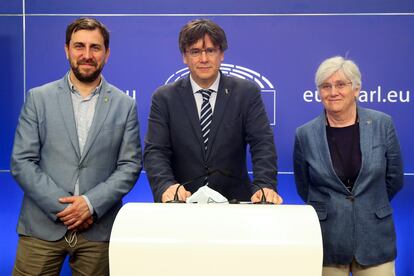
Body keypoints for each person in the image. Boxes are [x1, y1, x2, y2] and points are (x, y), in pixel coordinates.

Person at [10, 17, 142, 275]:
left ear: (107, 53)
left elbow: (130, 165)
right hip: (41, 228)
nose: (87, 54)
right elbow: (22, 162)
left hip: (98, 230)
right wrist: (66, 209)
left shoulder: (124, 106)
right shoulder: (39, 98)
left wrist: (90, 204)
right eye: (79, 46)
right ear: (67, 50)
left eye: (95, 47)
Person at [144, 18, 282, 204]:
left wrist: (264, 186)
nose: (204, 59)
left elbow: (262, 144)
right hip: (181, 204)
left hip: (236, 203)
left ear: (221, 54)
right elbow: (156, 151)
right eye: (195, 52)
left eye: (210, 50)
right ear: (184, 56)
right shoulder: (164, 98)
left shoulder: (246, 93)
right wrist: (166, 186)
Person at [294, 56, 403, 276]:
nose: (333, 92)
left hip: (375, 239)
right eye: (326, 86)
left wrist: (371, 205)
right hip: (328, 242)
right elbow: (304, 186)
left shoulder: (382, 124)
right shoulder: (305, 134)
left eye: (341, 84)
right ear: (319, 92)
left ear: (356, 89)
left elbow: (395, 178)